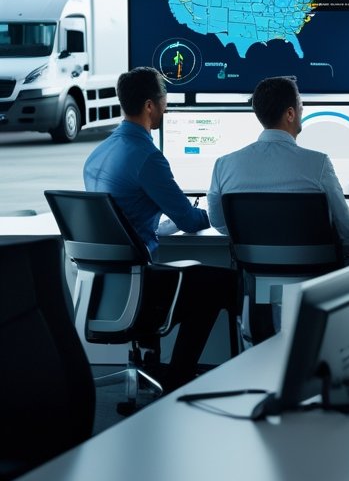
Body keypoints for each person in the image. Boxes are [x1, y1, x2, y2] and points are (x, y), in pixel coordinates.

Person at [83, 66, 237, 390]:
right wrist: (221, 208)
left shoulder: (98, 154)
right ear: (151, 106)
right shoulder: (146, 157)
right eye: (165, 99)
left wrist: (158, 226)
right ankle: (179, 379)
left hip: (104, 287)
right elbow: (190, 221)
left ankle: (153, 368)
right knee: (221, 284)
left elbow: (123, 219)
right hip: (137, 288)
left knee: (192, 278)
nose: (167, 106)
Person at [206, 75, 349, 240]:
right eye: (301, 105)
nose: (303, 110)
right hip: (310, 265)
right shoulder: (319, 164)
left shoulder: (224, 165)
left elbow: (219, 223)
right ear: (290, 114)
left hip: (252, 265)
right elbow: (347, 229)